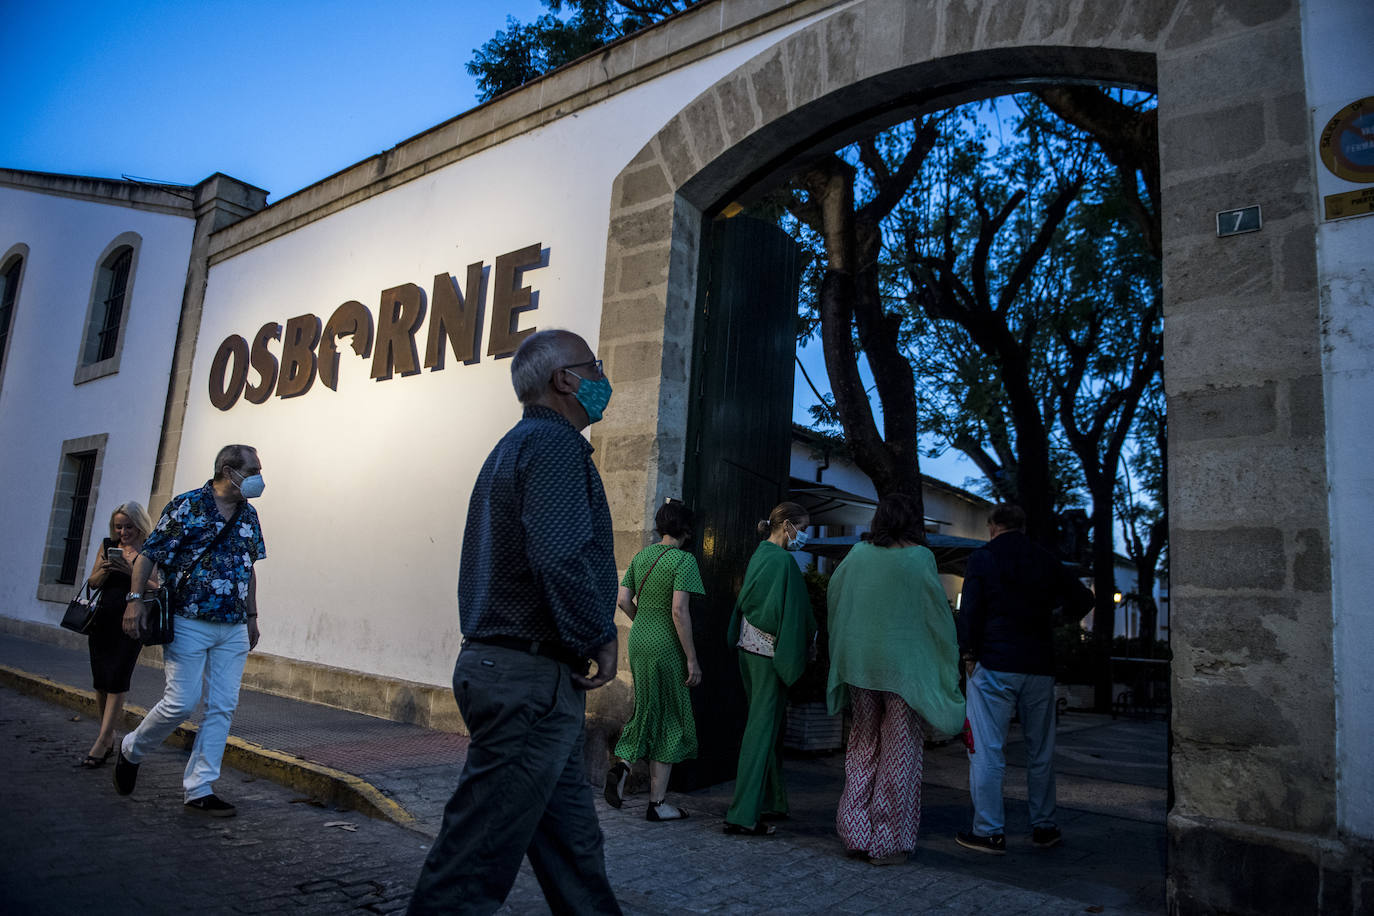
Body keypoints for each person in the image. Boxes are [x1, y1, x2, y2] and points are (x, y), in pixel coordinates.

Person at [407, 329, 621, 916]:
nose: (602, 377)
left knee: (575, 852)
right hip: (529, 679)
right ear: (564, 380)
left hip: (521, 675)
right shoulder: (552, 447)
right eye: (593, 367)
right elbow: (559, 553)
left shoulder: (517, 446)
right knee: (472, 864)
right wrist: (598, 635)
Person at [112, 445, 267, 818]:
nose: (261, 478)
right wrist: (134, 601)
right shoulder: (187, 505)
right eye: (254, 470)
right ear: (228, 471)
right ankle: (132, 749)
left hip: (231, 626)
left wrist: (252, 617)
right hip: (188, 620)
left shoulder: (250, 515)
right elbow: (149, 553)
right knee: (180, 702)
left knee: (222, 707)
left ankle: (199, 787)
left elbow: (249, 567)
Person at [825, 493, 965, 865]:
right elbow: (937, 617)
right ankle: (886, 843)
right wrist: (947, 661)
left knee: (861, 747)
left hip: (860, 665)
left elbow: (835, 597)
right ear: (911, 522)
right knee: (898, 756)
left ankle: (855, 833)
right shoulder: (920, 558)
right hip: (903, 671)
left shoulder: (856, 555)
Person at [954, 503, 1093, 854]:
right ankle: (1044, 826)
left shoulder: (983, 558)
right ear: (1023, 526)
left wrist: (968, 653)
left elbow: (970, 609)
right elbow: (1084, 598)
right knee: (1041, 750)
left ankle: (989, 831)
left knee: (986, 749)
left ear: (991, 526)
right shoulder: (1045, 558)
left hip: (995, 661)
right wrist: (1057, 618)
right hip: (1039, 663)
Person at [603, 498, 705, 822]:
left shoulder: (643, 555)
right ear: (686, 529)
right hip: (666, 644)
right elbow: (678, 611)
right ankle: (657, 804)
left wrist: (644, 621)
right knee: (671, 716)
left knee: (648, 707)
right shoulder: (683, 561)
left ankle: (624, 764)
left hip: (640, 638)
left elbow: (622, 600)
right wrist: (692, 659)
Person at [722, 501, 817, 837]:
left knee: (770, 726)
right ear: (788, 525)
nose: (804, 536)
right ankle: (743, 815)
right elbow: (792, 613)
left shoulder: (761, 553)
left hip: (748, 651)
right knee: (762, 731)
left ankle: (773, 801)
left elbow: (752, 603)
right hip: (768, 656)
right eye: (803, 528)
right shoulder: (784, 562)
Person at [78, 501, 159, 768]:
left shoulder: (149, 549)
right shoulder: (107, 545)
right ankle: (108, 734)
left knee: (117, 679)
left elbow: (156, 587)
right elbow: (91, 582)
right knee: (101, 680)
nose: (123, 532)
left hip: (131, 621)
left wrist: (130, 571)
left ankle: (102, 741)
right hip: (102, 619)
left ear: (139, 525)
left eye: (128, 527)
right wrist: (105, 569)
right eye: (118, 526)